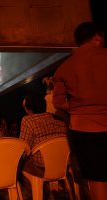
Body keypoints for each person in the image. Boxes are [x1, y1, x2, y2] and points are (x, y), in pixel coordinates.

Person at [53, 21, 107, 200]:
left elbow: (59, 103)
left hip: (83, 129)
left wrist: (78, 106)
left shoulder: (64, 68)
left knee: (96, 176)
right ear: (98, 37)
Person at [20, 92, 67, 176]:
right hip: (64, 161)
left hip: (43, 166)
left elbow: (24, 149)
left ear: (28, 108)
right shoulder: (58, 118)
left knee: (21, 166)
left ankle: (40, 187)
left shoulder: (28, 120)